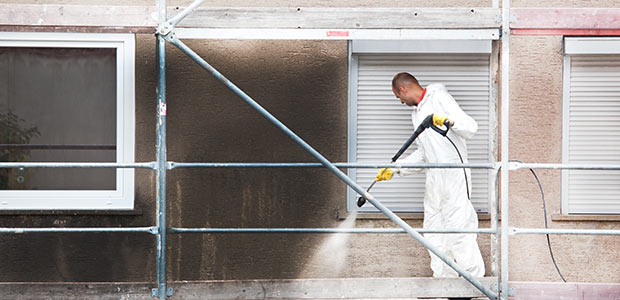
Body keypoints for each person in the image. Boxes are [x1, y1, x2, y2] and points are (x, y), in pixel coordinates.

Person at [376, 72, 485, 278]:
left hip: (454, 175)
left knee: (459, 230)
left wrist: (449, 121)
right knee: (434, 232)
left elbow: (471, 127)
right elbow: (425, 154)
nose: (400, 102)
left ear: (403, 90)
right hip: (434, 179)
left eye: (398, 97)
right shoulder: (416, 114)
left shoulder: (439, 98)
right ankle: (445, 282)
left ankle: (475, 283)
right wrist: (396, 168)